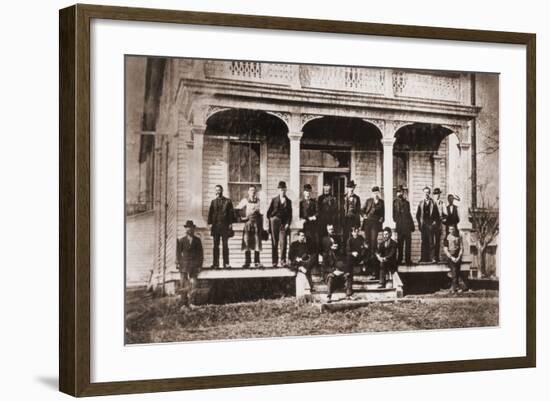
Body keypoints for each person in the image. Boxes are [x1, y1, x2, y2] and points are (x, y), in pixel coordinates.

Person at [321, 224, 353, 303]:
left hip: (339, 275)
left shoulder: (340, 255)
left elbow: (344, 265)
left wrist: (342, 271)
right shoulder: (326, 255)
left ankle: (348, 295)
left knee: (348, 275)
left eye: (336, 245)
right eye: (333, 245)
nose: (335, 246)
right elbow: (324, 268)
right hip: (330, 274)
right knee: (331, 277)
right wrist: (333, 271)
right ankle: (329, 296)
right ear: (330, 246)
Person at [176, 220, 204, 306]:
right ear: (186, 229)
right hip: (184, 265)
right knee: (183, 283)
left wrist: (199, 265)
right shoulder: (181, 240)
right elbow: (178, 254)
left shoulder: (197, 240)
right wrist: (179, 263)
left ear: (193, 229)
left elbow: (200, 254)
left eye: (191, 228)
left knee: (194, 283)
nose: (190, 230)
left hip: (194, 265)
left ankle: (192, 302)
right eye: (188, 228)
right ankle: (183, 302)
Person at [207, 185, 235, 269]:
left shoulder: (228, 201)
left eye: (219, 190)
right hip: (216, 227)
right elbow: (210, 214)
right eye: (216, 190)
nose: (218, 191)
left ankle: (226, 263)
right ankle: (216, 264)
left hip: (225, 226)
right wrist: (210, 224)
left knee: (225, 245)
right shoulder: (213, 202)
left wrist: (230, 224)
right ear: (215, 192)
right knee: (216, 246)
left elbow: (231, 214)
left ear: (222, 191)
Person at [267, 181, 293, 267]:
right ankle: (274, 261)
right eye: (281, 189)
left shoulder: (288, 201)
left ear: (286, 190)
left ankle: (283, 261)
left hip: (283, 224)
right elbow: (268, 213)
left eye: (284, 189)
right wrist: (272, 219)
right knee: (274, 242)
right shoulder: (274, 200)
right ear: (278, 190)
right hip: (275, 222)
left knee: (283, 242)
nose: (282, 191)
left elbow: (290, 214)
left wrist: (288, 224)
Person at [237, 185, 264, 268]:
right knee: (247, 242)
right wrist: (242, 219)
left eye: (254, 190)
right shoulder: (245, 201)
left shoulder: (259, 201)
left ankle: (257, 262)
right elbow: (237, 210)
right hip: (248, 224)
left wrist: (262, 226)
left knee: (257, 242)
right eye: (251, 190)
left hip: (256, 224)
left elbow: (262, 214)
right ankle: (247, 262)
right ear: (248, 192)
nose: (253, 192)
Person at [362, 185, 384, 275]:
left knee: (373, 243)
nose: (375, 194)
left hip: (375, 224)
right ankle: (366, 265)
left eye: (377, 192)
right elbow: (362, 210)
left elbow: (383, 214)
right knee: (367, 243)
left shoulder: (381, 202)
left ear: (379, 193)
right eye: (374, 193)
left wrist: (381, 219)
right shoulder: (368, 201)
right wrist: (364, 215)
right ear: (372, 193)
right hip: (368, 223)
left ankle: (374, 268)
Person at [416, 186, 441, 263]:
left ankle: (432, 258)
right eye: (425, 192)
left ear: (429, 193)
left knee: (431, 242)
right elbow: (417, 215)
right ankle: (423, 258)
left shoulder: (433, 203)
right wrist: (419, 223)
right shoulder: (420, 203)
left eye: (427, 192)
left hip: (431, 225)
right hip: (424, 225)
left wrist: (434, 222)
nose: (426, 194)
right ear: (423, 193)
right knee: (424, 242)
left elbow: (437, 215)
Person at [443, 225, 469, 293]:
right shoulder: (447, 238)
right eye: (451, 229)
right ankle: (454, 288)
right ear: (449, 230)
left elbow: (461, 248)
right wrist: (452, 258)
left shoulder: (458, 237)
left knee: (457, 271)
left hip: (458, 256)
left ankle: (455, 287)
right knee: (454, 271)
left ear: (455, 230)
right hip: (451, 257)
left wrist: (459, 257)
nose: (452, 231)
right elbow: (445, 249)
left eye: (453, 229)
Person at [393, 185, 415, 265]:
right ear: (396, 193)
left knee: (408, 244)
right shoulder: (394, 203)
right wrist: (397, 221)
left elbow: (408, 214)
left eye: (401, 191)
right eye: (398, 192)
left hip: (407, 226)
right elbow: (393, 215)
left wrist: (412, 225)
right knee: (400, 244)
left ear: (403, 192)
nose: (400, 193)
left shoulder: (407, 203)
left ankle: (408, 260)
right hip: (400, 226)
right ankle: (399, 259)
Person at [299, 184, 319, 252]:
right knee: (306, 242)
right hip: (305, 226)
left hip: (313, 226)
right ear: (304, 192)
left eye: (309, 191)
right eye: (306, 191)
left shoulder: (314, 202)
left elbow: (317, 212)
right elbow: (300, 214)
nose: (308, 193)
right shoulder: (301, 203)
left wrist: (314, 216)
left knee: (314, 243)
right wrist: (303, 219)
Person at [343, 180, 361, 246]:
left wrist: (358, 223)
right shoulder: (343, 197)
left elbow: (358, 211)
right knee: (345, 235)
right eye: (349, 187)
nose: (351, 189)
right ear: (347, 188)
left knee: (353, 235)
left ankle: (353, 250)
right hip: (345, 219)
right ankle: (346, 251)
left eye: (352, 187)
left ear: (354, 188)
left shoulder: (357, 198)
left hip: (353, 219)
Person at [432, 188, 445, 262]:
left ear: (439, 195)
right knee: (431, 241)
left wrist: (442, 219)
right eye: (435, 194)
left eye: (438, 194)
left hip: (438, 224)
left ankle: (436, 257)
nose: (437, 195)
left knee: (437, 241)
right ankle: (431, 257)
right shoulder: (431, 203)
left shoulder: (442, 203)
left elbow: (445, 214)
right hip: (431, 225)